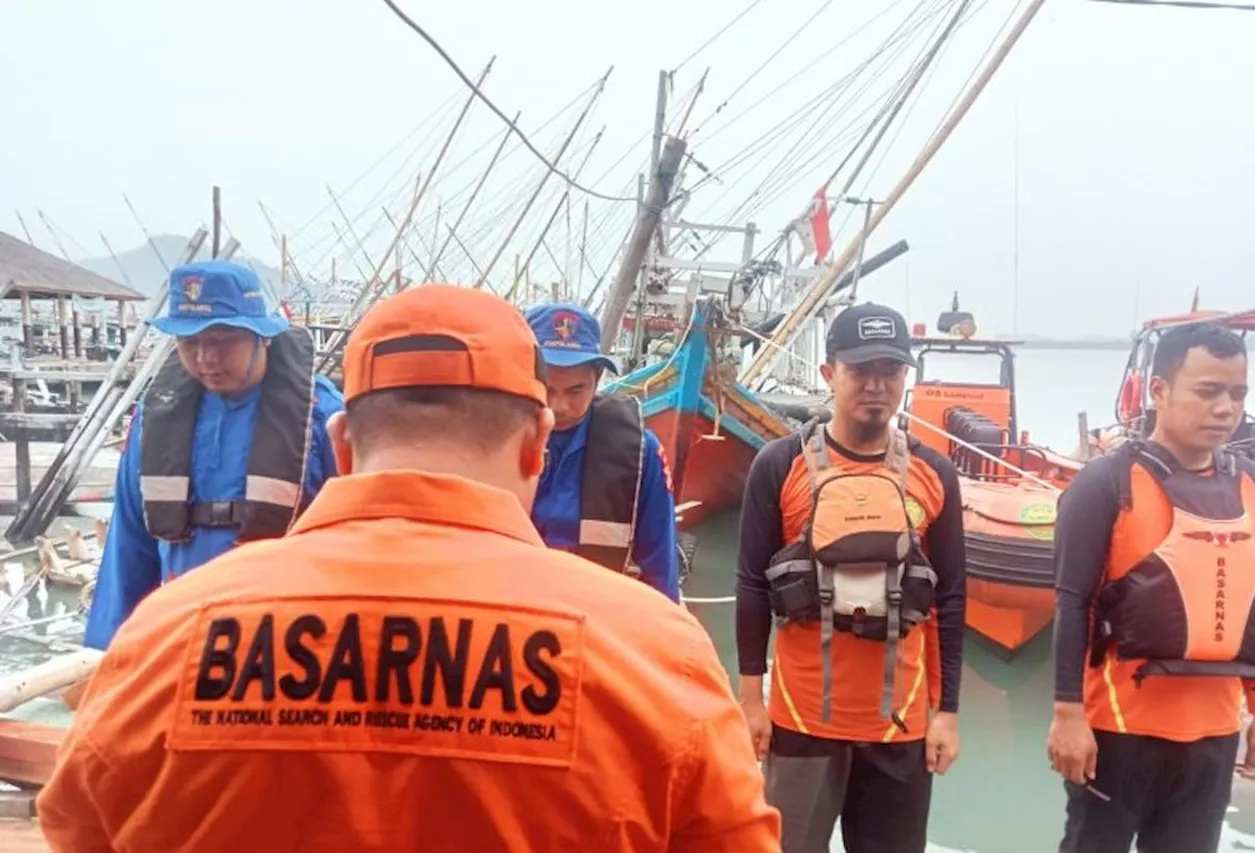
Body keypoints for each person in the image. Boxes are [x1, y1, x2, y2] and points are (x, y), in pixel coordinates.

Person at [37, 284, 781, 853]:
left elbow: (77, 821)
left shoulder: (166, 637)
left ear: (343, 441)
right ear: (535, 445)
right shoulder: (655, 657)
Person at [736, 302, 966, 853]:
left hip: (900, 726)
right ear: (828, 373)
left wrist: (948, 713)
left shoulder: (935, 474)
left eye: (890, 371)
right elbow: (750, 584)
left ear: (906, 378)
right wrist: (750, 700)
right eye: (860, 371)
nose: (876, 385)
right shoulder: (778, 464)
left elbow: (951, 598)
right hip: (801, 721)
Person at [1047, 321, 1255, 853]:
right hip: (1119, 732)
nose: (1226, 408)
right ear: (1158, 391)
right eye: (1208, 391)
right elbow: (1072, 602)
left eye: (1237, 393)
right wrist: (1067, 716)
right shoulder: (1107, 484)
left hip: (1213, 736)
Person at [81, 260, 344, 652]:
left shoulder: (324, 419)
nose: (204, 358)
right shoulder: (154, 421)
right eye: (189, 343)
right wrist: (106, 651)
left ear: (264, 336)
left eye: (221, 340)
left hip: (287, 644)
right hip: (181, 637)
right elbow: (129, 543)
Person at [523, 302, 682, 602]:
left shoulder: (641, 453)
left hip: (595, 614)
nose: (558, 407)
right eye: (546, 389)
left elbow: (660, 563)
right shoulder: (490, 440)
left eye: (576, 390)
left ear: (597, 380)